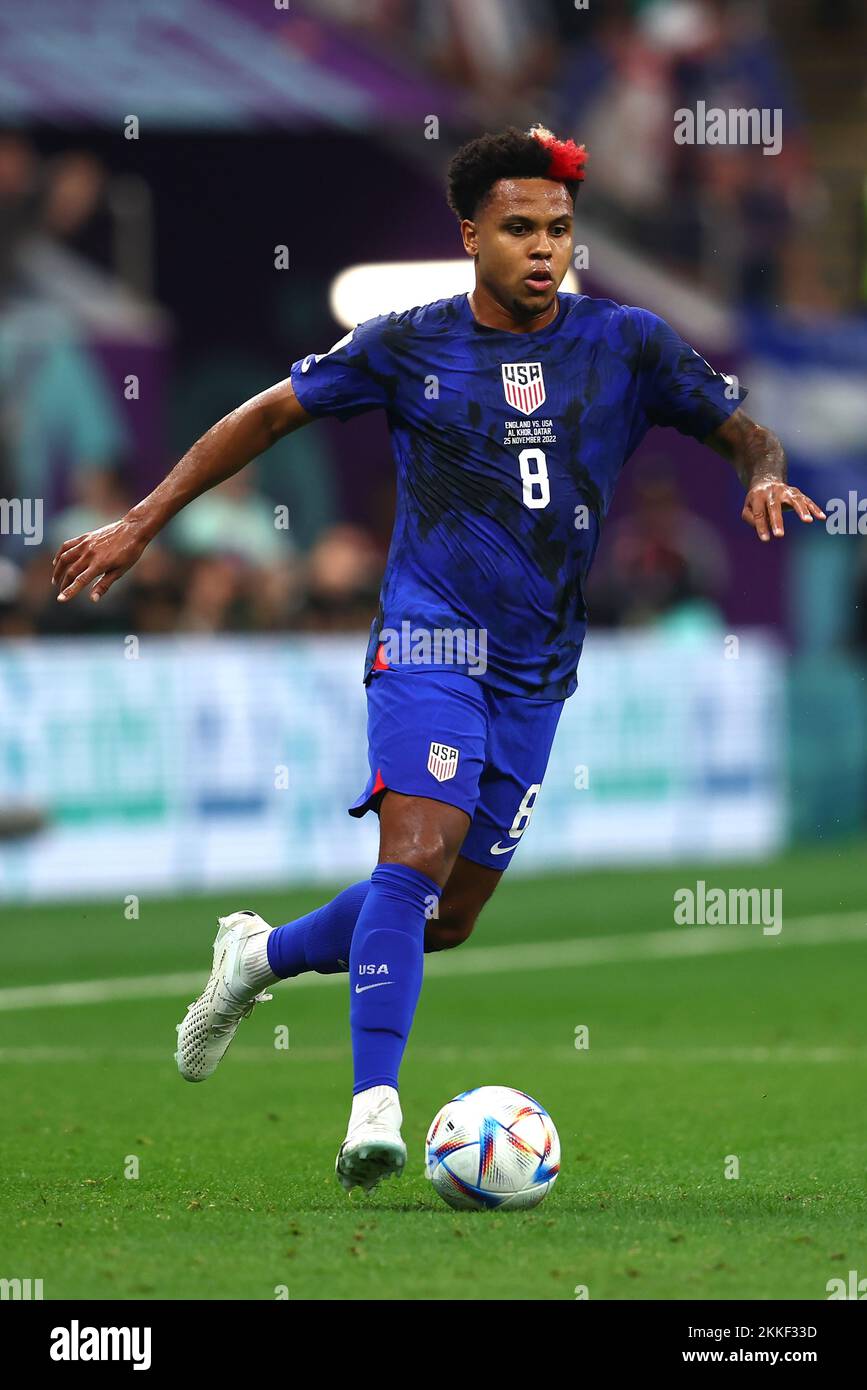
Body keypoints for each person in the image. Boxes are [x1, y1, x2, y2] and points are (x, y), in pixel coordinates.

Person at [51, 125, 825, 1197]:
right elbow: (267, 413)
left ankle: (257, 957)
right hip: (430, 635)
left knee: (444, 912)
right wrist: (141, 522)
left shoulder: (627, 344)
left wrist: (762, 472)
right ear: (471, 236)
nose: (545, 248)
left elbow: (743, 429)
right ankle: (375, 1108)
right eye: (519, 229)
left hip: (538, 667)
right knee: (419, 848)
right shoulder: (406, 342)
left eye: (559, 229)